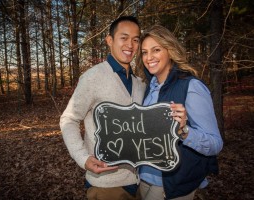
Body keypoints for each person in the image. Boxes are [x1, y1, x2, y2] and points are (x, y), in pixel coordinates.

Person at [60, 16, 146, 200]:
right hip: (106, 185)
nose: (130, 44)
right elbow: (69, 119)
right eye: (124, 37)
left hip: (139, 181)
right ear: (109, 40)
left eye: (136, 39)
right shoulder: (93, 77)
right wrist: (82, 158)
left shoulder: (140, 83)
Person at [136, 25, 223, 200]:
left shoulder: (191, 86)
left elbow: (215, 143)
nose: (149, 57)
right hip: (142, 178)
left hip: (170, 185)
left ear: (170, 50)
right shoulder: (148, 88)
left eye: (156, 50)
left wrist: (184, 131)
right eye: (144, 52)